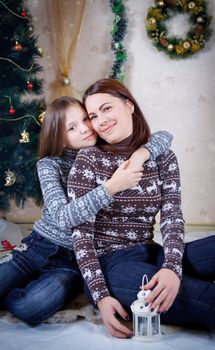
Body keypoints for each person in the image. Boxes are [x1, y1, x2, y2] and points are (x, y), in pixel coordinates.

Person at [0, 96, 173, 324]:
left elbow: (164, 137)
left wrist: (142, 154)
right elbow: (63, 217)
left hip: (76, 258)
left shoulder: (107, 151)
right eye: (71, 128)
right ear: (59, 138)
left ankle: (36, 289)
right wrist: (111, 188)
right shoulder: (51, 164)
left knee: (31, 306)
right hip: (38, 246)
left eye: (85, 119)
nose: (84, 129)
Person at [67, 79, 215, 339]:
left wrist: (171, 266)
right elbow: (81, 237)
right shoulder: (88, 160)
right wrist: (101, 296)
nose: (100, 120)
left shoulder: (162, 157)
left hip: (150, 252)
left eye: (107, 108)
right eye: (93, 115)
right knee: (199, 295)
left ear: (129, 105)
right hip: (110, 266)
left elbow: (171, 216)